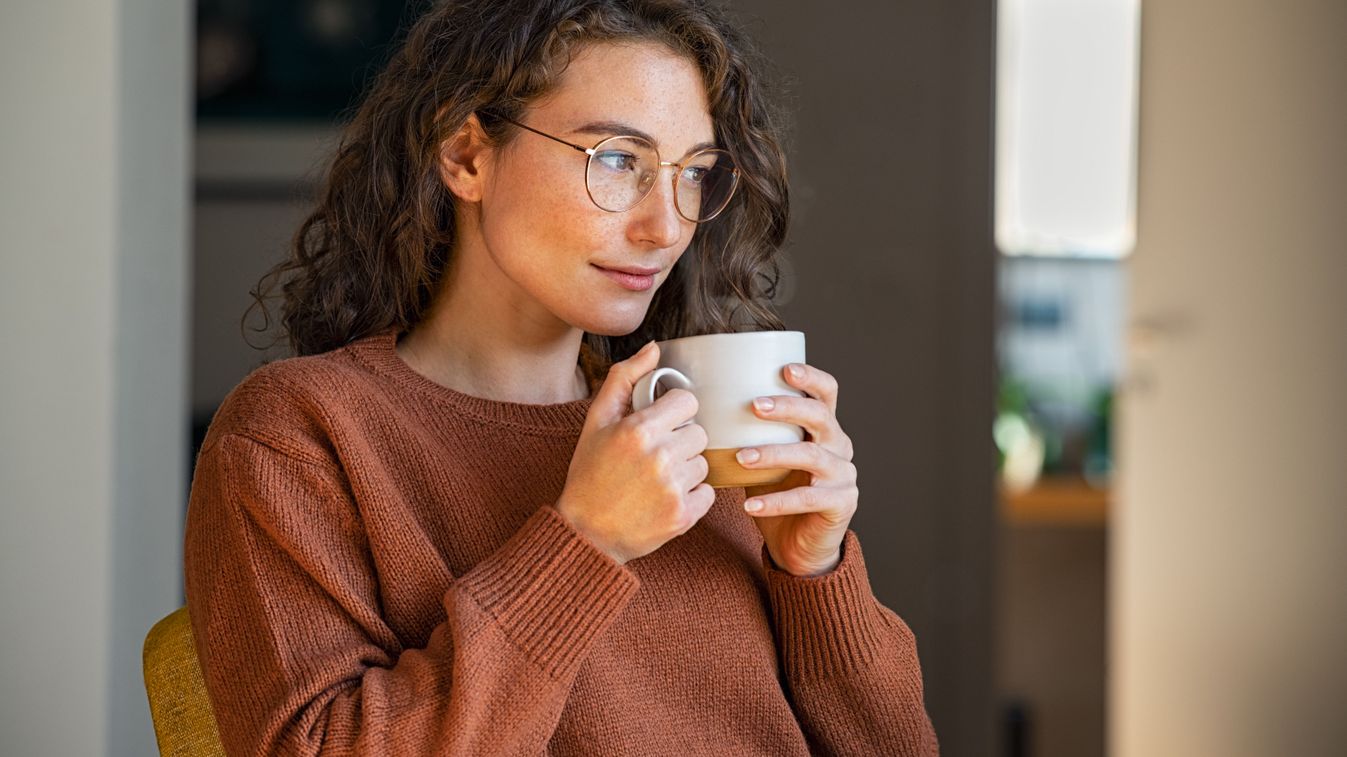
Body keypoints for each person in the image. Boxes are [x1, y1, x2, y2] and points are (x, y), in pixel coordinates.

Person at [183, 1, 939, 754]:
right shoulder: (299, 434)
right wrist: (584, 543)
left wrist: (815, 574)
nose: (665, 227)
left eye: (694, 174)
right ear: (467, 155)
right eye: (616, 158)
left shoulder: (700, 422)